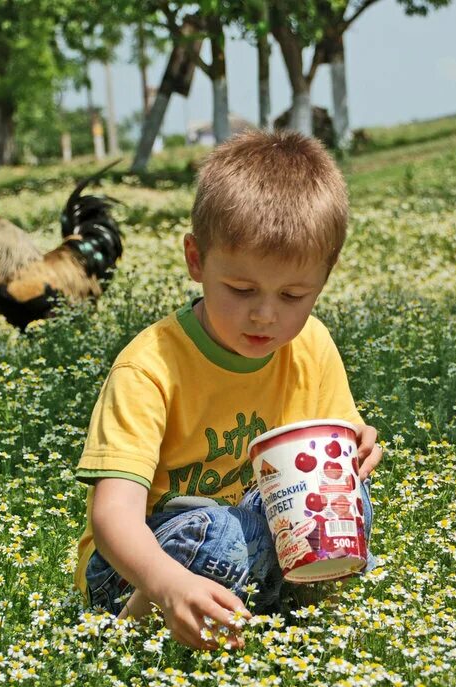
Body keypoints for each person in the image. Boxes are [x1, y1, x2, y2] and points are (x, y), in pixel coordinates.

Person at [73, 130, 383, 651]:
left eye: (292, 294)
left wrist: (355, 453)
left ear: (324, 279)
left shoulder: (312, 344)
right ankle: (160, 612)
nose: (264, 314)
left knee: (350, 501)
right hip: (144, 564)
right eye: (240, 290)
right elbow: (112, 517)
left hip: (258, 531)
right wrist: (165, 582)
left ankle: (270, 594)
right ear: (196, 260)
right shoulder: (150, 367)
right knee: (216, 533)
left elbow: (333, 462)